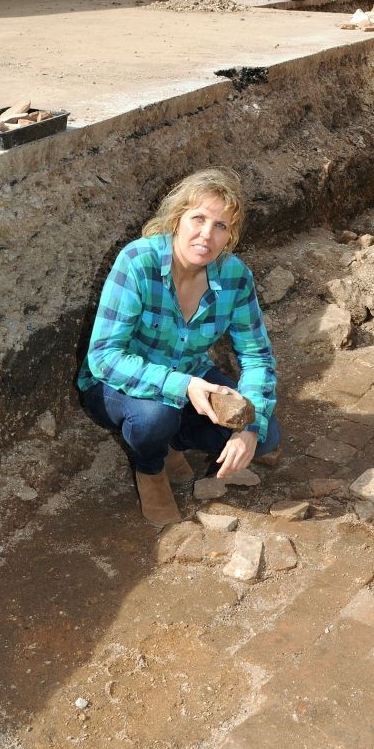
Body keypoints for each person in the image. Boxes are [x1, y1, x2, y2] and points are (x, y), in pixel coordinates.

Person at [77, 167, 279, 528]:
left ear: (230, 235)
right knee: (155, 418)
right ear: (176, 218)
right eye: (198, 218)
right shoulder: (138, 262)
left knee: (265, 435)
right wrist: (183, 385)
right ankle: (150, 467)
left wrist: (249, 428)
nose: (206, 235)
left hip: (190, 375)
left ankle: (173, 444)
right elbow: (104, 357)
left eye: (221, 226)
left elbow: (257, 357)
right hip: (114, 384)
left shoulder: (235, 277)